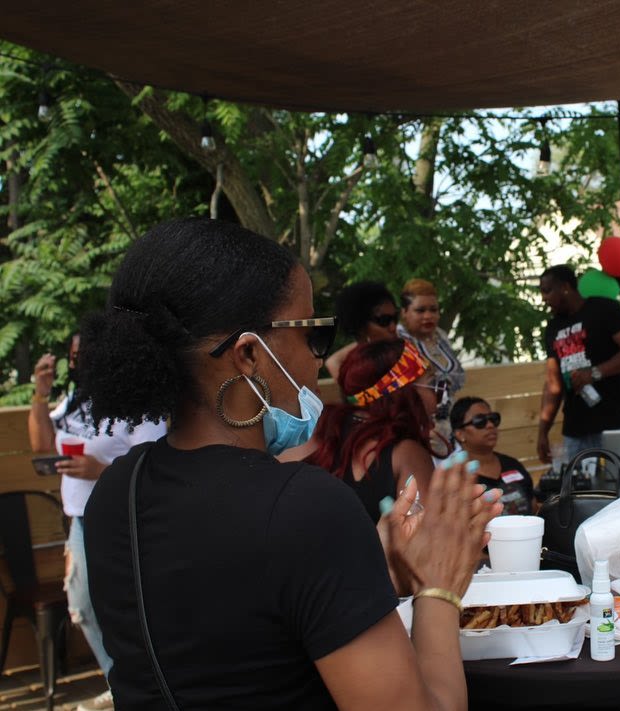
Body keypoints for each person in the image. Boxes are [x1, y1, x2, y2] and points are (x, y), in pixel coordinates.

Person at [76, 217, 500, 710]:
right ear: (249, 355)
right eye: (312, 334)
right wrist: (438, 589)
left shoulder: (116, 491)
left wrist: (370, 569)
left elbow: (235, 639)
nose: (319, 360)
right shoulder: (306, 507)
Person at [28, 335, 166, 711]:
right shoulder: (76, 400)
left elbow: (153, 470)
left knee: (133, 609)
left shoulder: (138, 405)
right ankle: (120, 684)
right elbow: (41, 444)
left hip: (125, 523)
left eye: (85, 354)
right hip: (81, 520)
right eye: (73, 356)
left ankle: (145, 689)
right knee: (82, 606)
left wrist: (100, 470)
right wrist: (40, 394)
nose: (78, 363)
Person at [308, 338, 441, 522]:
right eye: (434, 386)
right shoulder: (408, 454)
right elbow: (424, 535)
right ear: (404, 391)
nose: (440, 396)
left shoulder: (316, 428)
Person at [536, 264, 620, 465]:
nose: (544, 298)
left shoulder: (604, 309)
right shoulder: (553, 327)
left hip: (618, 424)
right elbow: (554, 384)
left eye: (547, 291)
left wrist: (595, 372)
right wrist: (543, 431)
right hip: (576, 432)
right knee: (578, 485)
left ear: (565, 287)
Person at [451, 396, 535, 515]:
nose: (490, 425)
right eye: (479, 421)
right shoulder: (455, 476)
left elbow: (534, 506)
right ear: (460, 434)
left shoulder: (512, 464)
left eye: (493, 419)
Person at [398, 278, 465, 404]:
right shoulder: (397, 341)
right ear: (404, 312)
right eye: (420, 310)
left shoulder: (440, 336)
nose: (428, 316)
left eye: (433, 310)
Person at [324, 281, 399, 380]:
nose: (393, 327)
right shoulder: (359, 372)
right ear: (361, 327)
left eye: (395, 318)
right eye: (384, 321)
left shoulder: (399, 352)